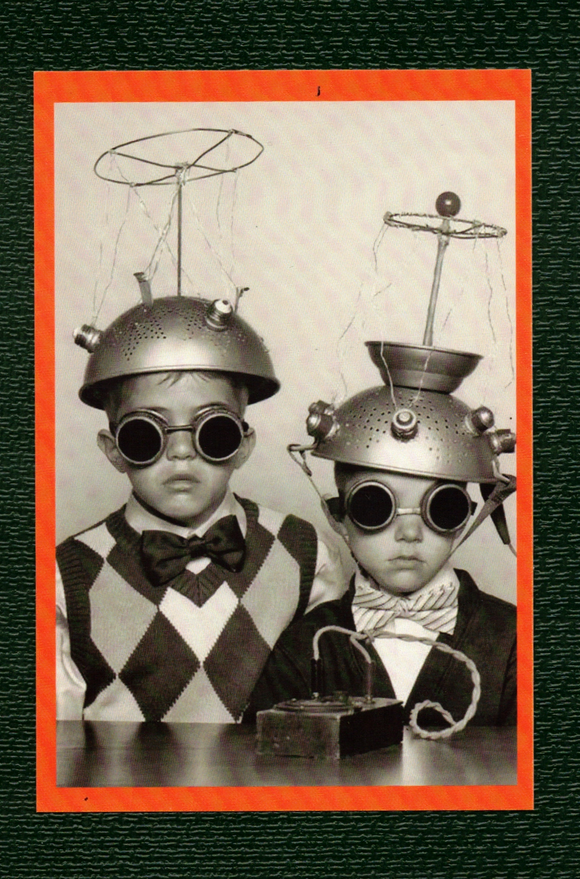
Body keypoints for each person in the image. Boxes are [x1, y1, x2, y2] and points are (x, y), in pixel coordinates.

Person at [56, 294, 344, 723]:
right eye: (145, 435)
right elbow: (52, 737)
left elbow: (332, 702)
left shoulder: (305, 553)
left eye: (213, 431)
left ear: (244, 444)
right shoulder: (66, 574)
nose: (181, 452)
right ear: (113, 449)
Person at [246, 380, 517, 727]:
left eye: (441, 508)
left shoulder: (516, 639)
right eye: (375, 506)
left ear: (465, 517)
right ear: (338, 516)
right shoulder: (304, 644)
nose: (409, 533)